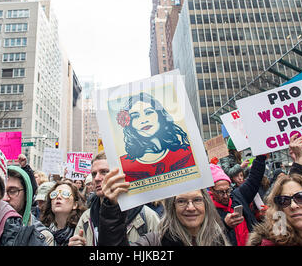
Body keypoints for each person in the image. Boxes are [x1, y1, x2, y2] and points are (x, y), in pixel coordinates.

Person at [97, 168, 229, 246]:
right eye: (182, 201)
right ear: (172, 208)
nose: (190, 207)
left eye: (197, 200)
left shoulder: (218, 239)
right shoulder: (154, 242)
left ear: (206, 205)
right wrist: (112, 209)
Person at [68, 151, 161, 246]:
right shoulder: (86, 218)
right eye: (93, 174)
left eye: (104, 172)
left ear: (118, 175)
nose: (97, 178)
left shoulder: (147, 216)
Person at [117, 92, 195, 182]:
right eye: (135, 116)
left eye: (149, 112)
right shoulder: (121, 167)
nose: (143, 120)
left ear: (160, 115)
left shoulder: (188, 153)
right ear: (129, 124)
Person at [209, 154, 268, 246]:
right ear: (211, 190)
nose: (225, 196)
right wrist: (225, 225)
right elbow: (208, 239)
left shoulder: (238, 196)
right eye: (220, 192)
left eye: (227, 190)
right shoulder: (207, 210)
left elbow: (254, 179)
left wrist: (261, 158)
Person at [247, 174, 302, 246]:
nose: (293, 206)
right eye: (284, 201)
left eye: (300, 197)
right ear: (279, 209)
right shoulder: (268, 243)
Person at [4, 165, 54, 246]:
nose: (5, 198)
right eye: (1, 191)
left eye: (12, 191)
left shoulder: (42, 236)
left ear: (26, 195)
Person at [40, 180, 86, 246]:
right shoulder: (41, 232)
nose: (58, 197)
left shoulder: (82, 232)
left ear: (75, 205)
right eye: (54, 194)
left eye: (65, 194)